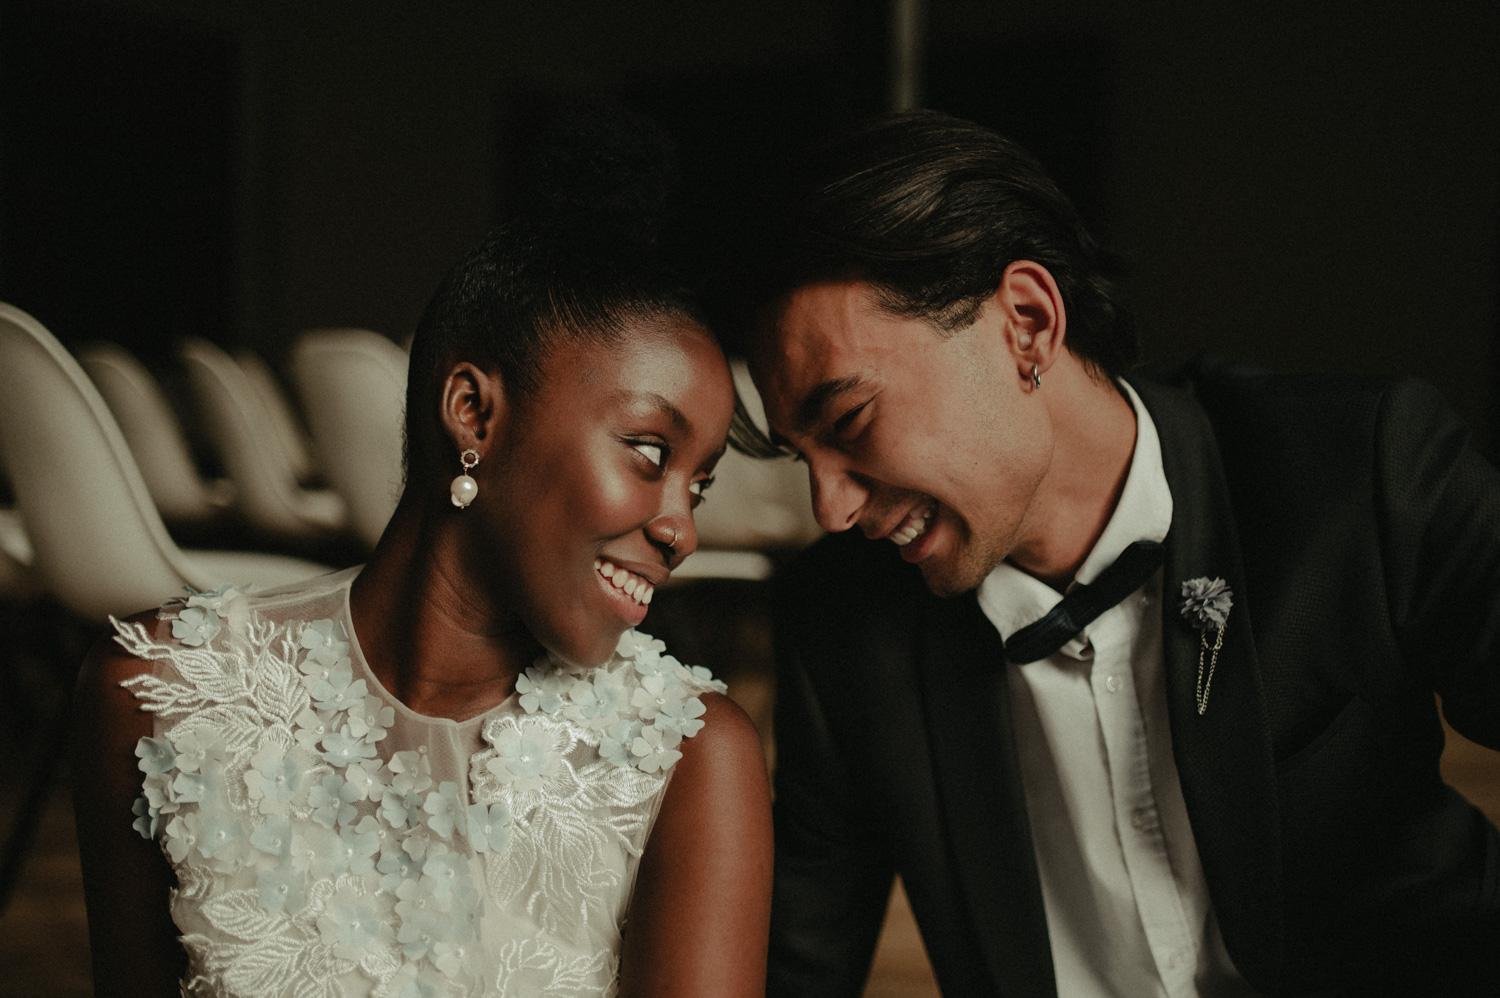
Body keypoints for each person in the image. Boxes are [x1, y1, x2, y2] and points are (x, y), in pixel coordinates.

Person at [714, 110, 1500, 995]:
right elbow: (797, 968)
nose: (830, 507)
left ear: (1026, 322)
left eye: (850, 421)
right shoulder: (842, 625)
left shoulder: (1362, 471)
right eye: (801, 457)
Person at [70, 113, 772, 997]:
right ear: (474, 413)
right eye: (649, 453)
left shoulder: (692, 759)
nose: (681, 529)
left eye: (698, 485)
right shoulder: (158, 697)